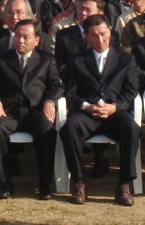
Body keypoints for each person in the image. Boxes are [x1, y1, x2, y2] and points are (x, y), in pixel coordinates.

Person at [60, 14, 140, 206]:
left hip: (114, 112)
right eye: (94, 35)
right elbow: (70, 92)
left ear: (110, 32)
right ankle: (79, 182)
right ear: (86, 37)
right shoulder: (77, 60)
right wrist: (87, 106)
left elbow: (131, 91)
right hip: (87, 113)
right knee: (69, 128)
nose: (100, 39)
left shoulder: (126, 59)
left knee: (131, 127)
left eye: (103, 34)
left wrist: (115, 107)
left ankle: (124, 184)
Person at [0, 18, 64, 200]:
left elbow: (57, 86)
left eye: (26, 37)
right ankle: (5, 183)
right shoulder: (1, 60)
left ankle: (45, 185)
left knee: (47, 131)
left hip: (35, 112)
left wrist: (50, 101)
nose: (20, 40)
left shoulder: (46, 60)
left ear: (36, 40)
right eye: (17, 36)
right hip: (9, 112)